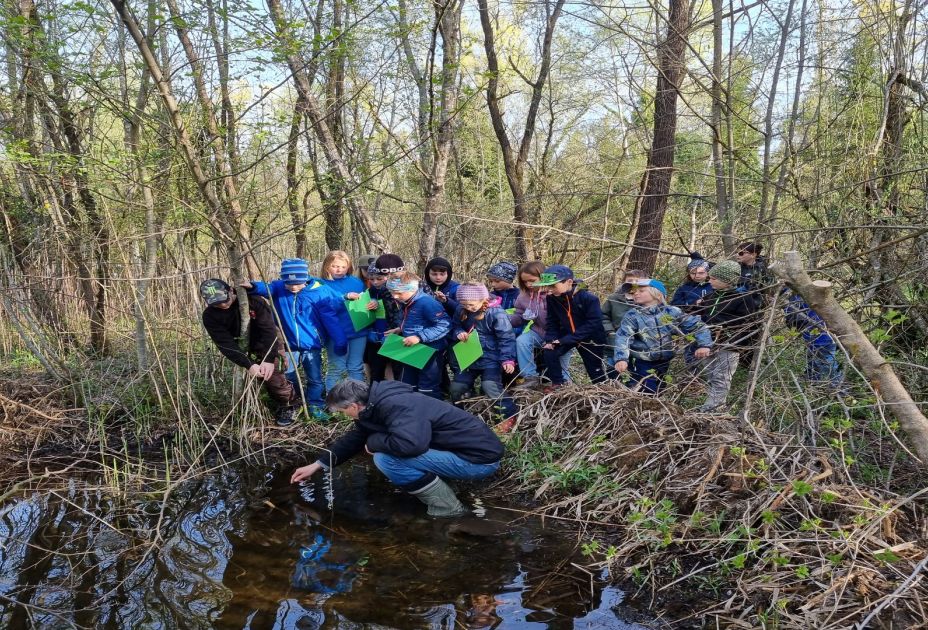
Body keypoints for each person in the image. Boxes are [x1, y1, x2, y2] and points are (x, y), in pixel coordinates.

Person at [290, 379, 504, 517]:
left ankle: (448, 509)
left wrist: (373, 444)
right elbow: (356, 438)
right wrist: (318, 465)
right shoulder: (375, 404)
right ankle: (447, 488)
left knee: (386, 459)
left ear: (353, 406)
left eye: (341, 412)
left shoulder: (397, 405)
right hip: (463, 453)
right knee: (388, 450)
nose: (343, 416)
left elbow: (412, 445)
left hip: (479, 462)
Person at [244, 258, 347, 420]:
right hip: (287, 345)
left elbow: (330, 319)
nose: (293, 287)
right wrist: (252, 286)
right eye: (289, 283)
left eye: (297, 283)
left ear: (305, 278)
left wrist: (340, 341)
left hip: (311, 344)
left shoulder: (318, 292)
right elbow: (266, 288)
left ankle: (315, 405)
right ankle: (298, 401)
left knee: (315, 378)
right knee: (289, 376)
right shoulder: (278, 288)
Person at [199, 279, 299, 426]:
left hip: (267, 340)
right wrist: (248, 364)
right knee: (256, 376)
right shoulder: (210, 316)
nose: (222, 305)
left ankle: (289, 405)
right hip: (241, 346)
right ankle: (260, 403)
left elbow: (269, 330)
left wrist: (269, 360)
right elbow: (225, 344)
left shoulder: (252, 300)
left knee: (273, 376)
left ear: (230, 290)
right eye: (216, 303)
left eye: (224, 300)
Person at [612, 279, 712, 394]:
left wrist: (704, 344)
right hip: (643, 360)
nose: (636, 293)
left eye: (641, 291)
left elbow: (697, 325)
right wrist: (621, 358)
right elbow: (623, 337)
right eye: (634, 291)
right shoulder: (632, 315)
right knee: (648, 389)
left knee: (660, 388)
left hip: (665, 360)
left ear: (657, 294)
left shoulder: (672, 312)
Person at [449, 283, 519, 431]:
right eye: (465, 304)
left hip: (491, 358)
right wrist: (458, 332)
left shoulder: (496, 313)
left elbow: (506, 337)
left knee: (490, 385)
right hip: (469, 357)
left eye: (471, 304)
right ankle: (460, 416)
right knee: (456, 387)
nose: (469, 307)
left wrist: (507, 359)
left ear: (483, 299)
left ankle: (508, 415)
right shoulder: (461, 309)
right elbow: (455, 326)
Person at [691, 260, 758, 412]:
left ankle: (712, 410)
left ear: (727, 280)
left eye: (714, 278)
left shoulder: (742, 298)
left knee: (721, 378)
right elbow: (700, 315)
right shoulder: (710, 296)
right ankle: (712, 406)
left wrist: (734, 341)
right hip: (708, 343)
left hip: (729, 345)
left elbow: (748, 324)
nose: (710, 281)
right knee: (710, 375)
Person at [535, 265, 609, 390]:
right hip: (568, 334)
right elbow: (552, 320)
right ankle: (558, 384)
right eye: (547, 286)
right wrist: (550, 339)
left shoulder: (588, 298)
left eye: (553, 286)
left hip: (591, 338)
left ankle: (602, 391)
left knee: (595, 371)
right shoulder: (552, 298)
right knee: (550, 352)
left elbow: (594, 323)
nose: (549, 290)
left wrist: (567, 339)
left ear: (569, 282)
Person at [387, 271, 451, 399]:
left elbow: (445, 325)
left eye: (398, 293)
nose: (394, 296)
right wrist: (400, 329)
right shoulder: (407, 301)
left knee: (427, 387)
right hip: (412, 349)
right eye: (392, 292)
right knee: (408, 385)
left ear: (412, 289)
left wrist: (419, 337)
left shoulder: (427, 303)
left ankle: (431, 409)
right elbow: (416, 321)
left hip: (430, 351)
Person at [509, 261, 569, 388]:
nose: (528, 284)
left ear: (542, 277)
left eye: (532, 280)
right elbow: (520, 316)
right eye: (525, 281)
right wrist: (505, 320)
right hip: (538, 331)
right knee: (522, 341)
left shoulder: (554, 293)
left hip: (560, 334)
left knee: (561, 356)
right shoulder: (523, 297)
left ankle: (563, 382)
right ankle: (530, 377)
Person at [319, 250, 373, 390]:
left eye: (343, 267)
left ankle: (357, 397)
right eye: (335, 266)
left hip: (358, 331)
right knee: (337, 367)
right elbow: (323, 306)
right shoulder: (320, 284)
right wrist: (345, 297)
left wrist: (372, 303)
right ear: (327, 266)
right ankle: (334, 400)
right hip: (335, 333)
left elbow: (367, 300)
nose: (339, 270)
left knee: (356, 366)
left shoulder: (356, 282)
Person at [782, 289, 844, 387]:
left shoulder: (794, 296)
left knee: (826, 360)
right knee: (814, 356)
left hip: (821, 336)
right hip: (820, 333)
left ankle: (838, 389)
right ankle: (813, 381)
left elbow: (794, 319)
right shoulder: (806, 292)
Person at [602, 269, 645, 347]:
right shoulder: (613, 298)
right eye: (630, 280)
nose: (633, 283)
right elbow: (603, 316)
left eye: (637, 281)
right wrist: (610, 331)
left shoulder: (646, 300)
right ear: (624, 282)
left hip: (640, 342)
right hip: (615, 340)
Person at [735, 242, 774, 307]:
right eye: (737, 252)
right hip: (736, 301)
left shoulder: (763, 269)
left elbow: (770, 290)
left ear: (753, 255)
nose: (737, 255)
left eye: (741, 253)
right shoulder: (736, 267)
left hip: (756, 305)